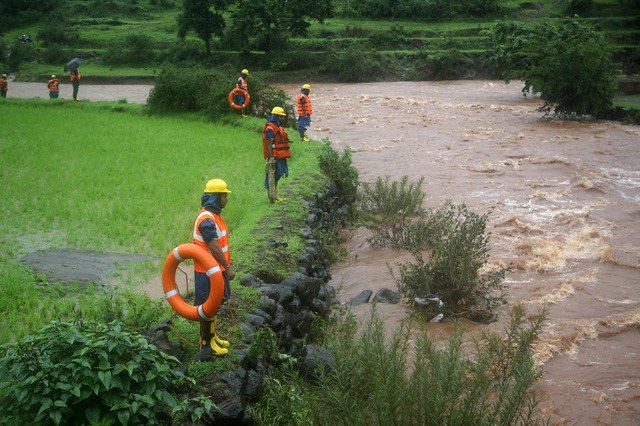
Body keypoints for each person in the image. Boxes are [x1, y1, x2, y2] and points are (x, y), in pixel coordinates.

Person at [192, 178, 235, 360]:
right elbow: (213, 245)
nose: (226, 199)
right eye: (224, 196)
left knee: (214, 305)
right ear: (216, 198)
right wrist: (228, 266)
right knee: (208, 307)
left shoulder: (213, 216)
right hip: (207, 273)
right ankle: (206, 344)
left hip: (215, 271)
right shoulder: (207, 220)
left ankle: (213, 338)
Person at [263, 107, 292, 204]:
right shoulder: (270, 128)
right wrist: (271, 158)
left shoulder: (277, 127)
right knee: (273, 176)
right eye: (281, 116)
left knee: (278, 175)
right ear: (275, 116)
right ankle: (273, 197)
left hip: (281, 156)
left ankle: (275, 196)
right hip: (275, 156)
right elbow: (269, 143)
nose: (282, 118)